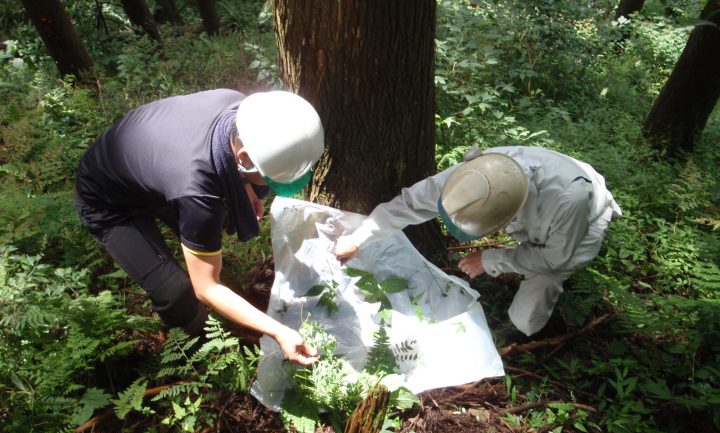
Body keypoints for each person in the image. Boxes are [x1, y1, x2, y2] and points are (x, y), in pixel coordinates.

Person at [75, 89, 324, 364]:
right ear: (243, 158)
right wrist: (278, 330)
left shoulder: (245, 112)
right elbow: (205, 287)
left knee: (206, 239)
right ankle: (199, 346)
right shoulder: (196, 192)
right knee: (175, 291)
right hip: (107, 199)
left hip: (150, 167)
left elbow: (226, 163)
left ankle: (215, 279)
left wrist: (250, 189)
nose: (267, 187)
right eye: (269, 178)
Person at [334, 146, 622, 336]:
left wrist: (489, 260)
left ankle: (524, 335)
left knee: (542, 285)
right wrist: (360, 237)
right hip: (540, 212)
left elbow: (552, 258)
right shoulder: (476, 176)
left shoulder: (568, 204)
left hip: (584, 220)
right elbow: (411, 203)